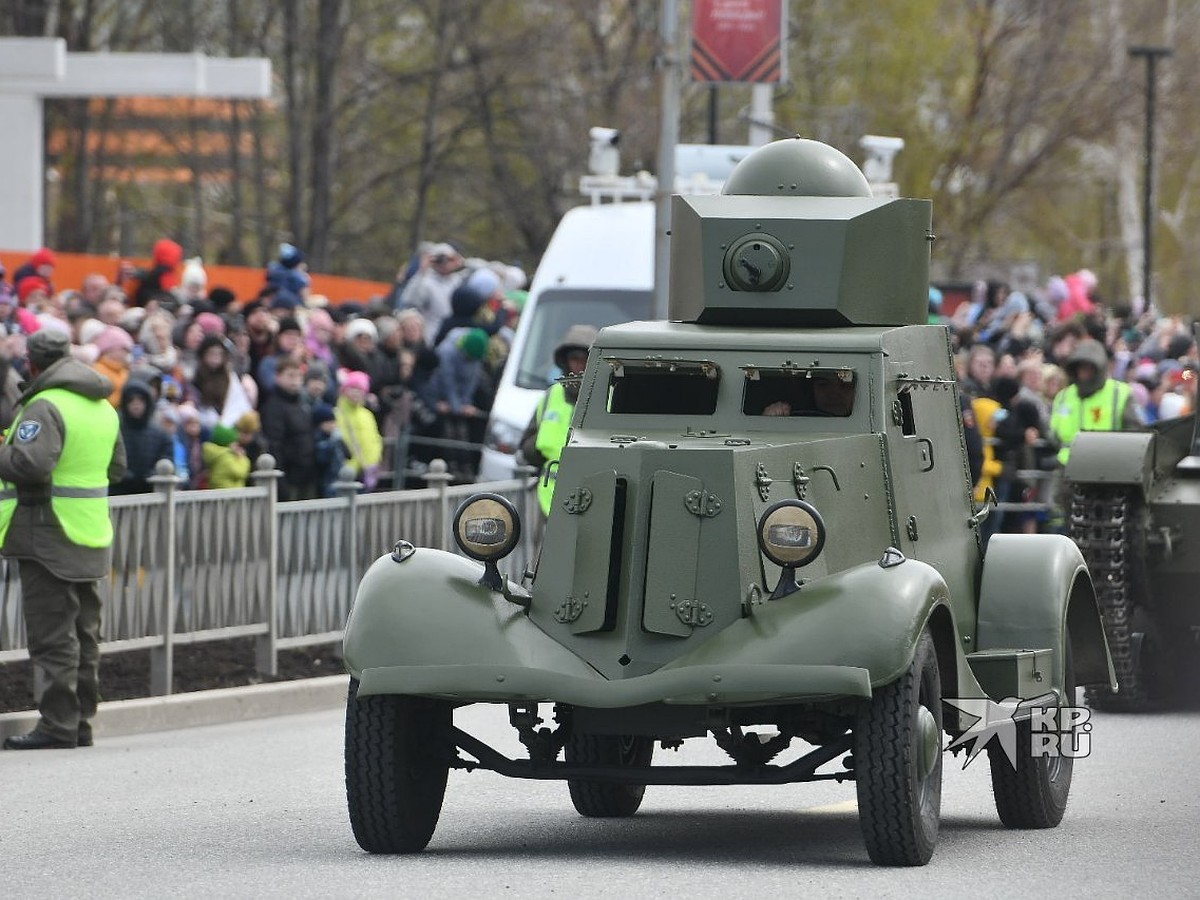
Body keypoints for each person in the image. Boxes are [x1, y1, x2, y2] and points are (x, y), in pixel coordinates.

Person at [0, 329, 126, 749]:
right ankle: (80, 723)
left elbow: (29, 465)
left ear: (33, 364)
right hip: (89, 533)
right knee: (84, 636)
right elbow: (118, 467)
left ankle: (57, 726)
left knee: (53, 637)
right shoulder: (102, 407)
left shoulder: (45, 405)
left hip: (48, 535)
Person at [531, 325, 597, 517]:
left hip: (594, 499)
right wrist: (538, 446)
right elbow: (527, 446)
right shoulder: (551, 396)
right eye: (574, 359)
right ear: (565, 362)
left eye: (584, 360)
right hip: (549, 498)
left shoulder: (609, 396)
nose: (579, 366)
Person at [1049, 338, 1143, 466]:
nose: (1085, 373)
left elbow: (1136, 432)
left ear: (1099, 369)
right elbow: (1054, 434)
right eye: (1081, 368)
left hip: (1109, 466)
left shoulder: (1120, 393)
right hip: (1067, 465)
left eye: (1090, 368)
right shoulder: (1063, 396)